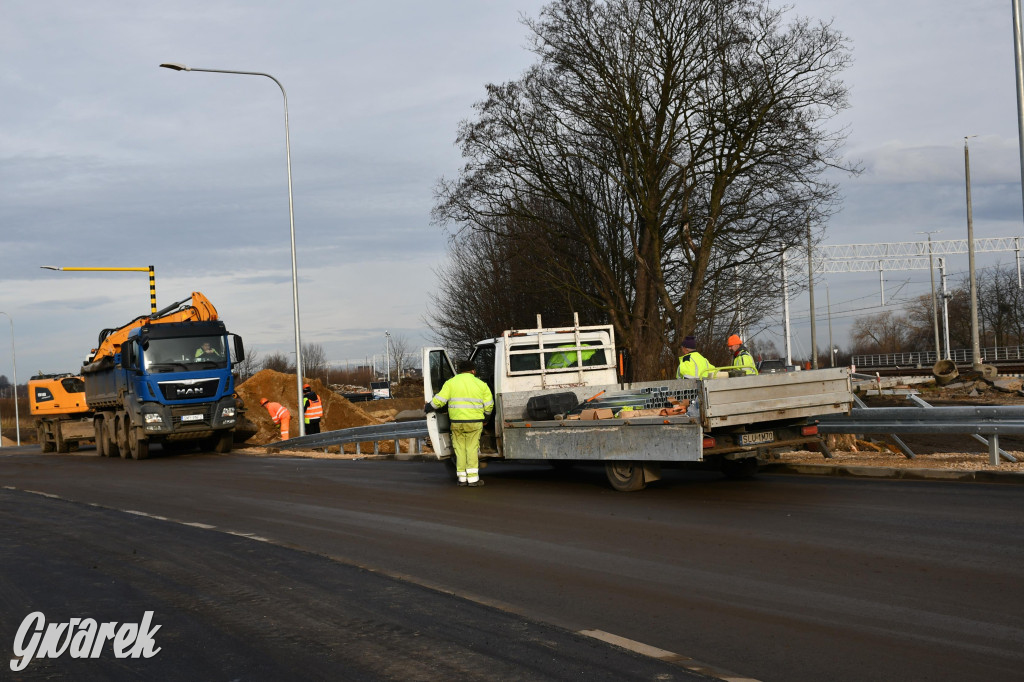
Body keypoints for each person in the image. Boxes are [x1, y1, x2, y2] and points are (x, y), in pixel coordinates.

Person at [427, 359, 493, 487]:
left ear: (459, 371)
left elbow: (439, 401)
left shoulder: (451, 383)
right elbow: (489, 405)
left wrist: (428, 407)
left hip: (456, 423)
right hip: (475, 422)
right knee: (472, 448)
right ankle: (473, 479)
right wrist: (486, 419)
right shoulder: (481, 384)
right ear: (473, 371)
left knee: (459, 449)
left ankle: (462, 479)